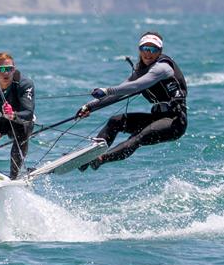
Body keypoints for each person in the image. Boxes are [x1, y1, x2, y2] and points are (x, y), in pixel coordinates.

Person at [76, 31, 187, 171]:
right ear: (139, 50)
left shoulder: (163, 68)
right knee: (115, 121)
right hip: (156, 118)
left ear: (160, 51)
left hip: (174, 122)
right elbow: (121, 91)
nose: (148, 53)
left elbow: (136, 86)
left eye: (153, 49)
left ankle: (100, 159)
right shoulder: (140, 70)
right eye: (145, 49)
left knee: (138, 137)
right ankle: (89, 156)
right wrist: (89, 107)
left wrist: (107, 90)